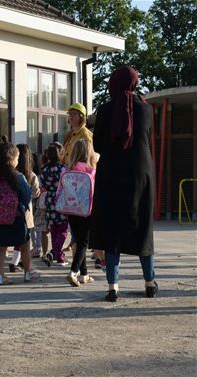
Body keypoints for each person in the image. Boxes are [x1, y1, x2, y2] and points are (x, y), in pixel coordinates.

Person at [91, 65, 157, 302]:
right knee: (142, 228)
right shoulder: (146, 109)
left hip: (111, 173)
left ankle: (113, 286)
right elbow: (147, 139)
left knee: (111, 230)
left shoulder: (105, 110)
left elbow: (97, 145)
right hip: (141, 173)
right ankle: (149, 282)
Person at [0, 141, 32, 285]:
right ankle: (27, 273)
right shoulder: (18, 177)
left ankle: (0, 277)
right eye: (17, 158)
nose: (18, 160)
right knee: (24, 245)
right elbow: (26, 196)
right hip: (16, 218)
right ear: (11, 159)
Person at [64, 139, 97, 287]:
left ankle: (84, 274)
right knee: (84, 242)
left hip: (70, 210)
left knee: (78, 239)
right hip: (86, 211)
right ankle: (73, 271)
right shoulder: (91, 170)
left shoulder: (67, 169)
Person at [13, 144, 41, 281]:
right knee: (24, 241)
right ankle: (23, 268)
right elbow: (36, 193)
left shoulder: (11, 174)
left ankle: (14, 261)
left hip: (9, 211)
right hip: (26, 212)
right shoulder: (31, 175)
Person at [40, 142, 69, 266]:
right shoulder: (63, 169)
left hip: (50, 199)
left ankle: (59, 255)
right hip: (62, 199)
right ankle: (54, 252)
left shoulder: (44, 169)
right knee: (63, 229)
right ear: (61, 155)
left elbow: (43, 186)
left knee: (54, 229)